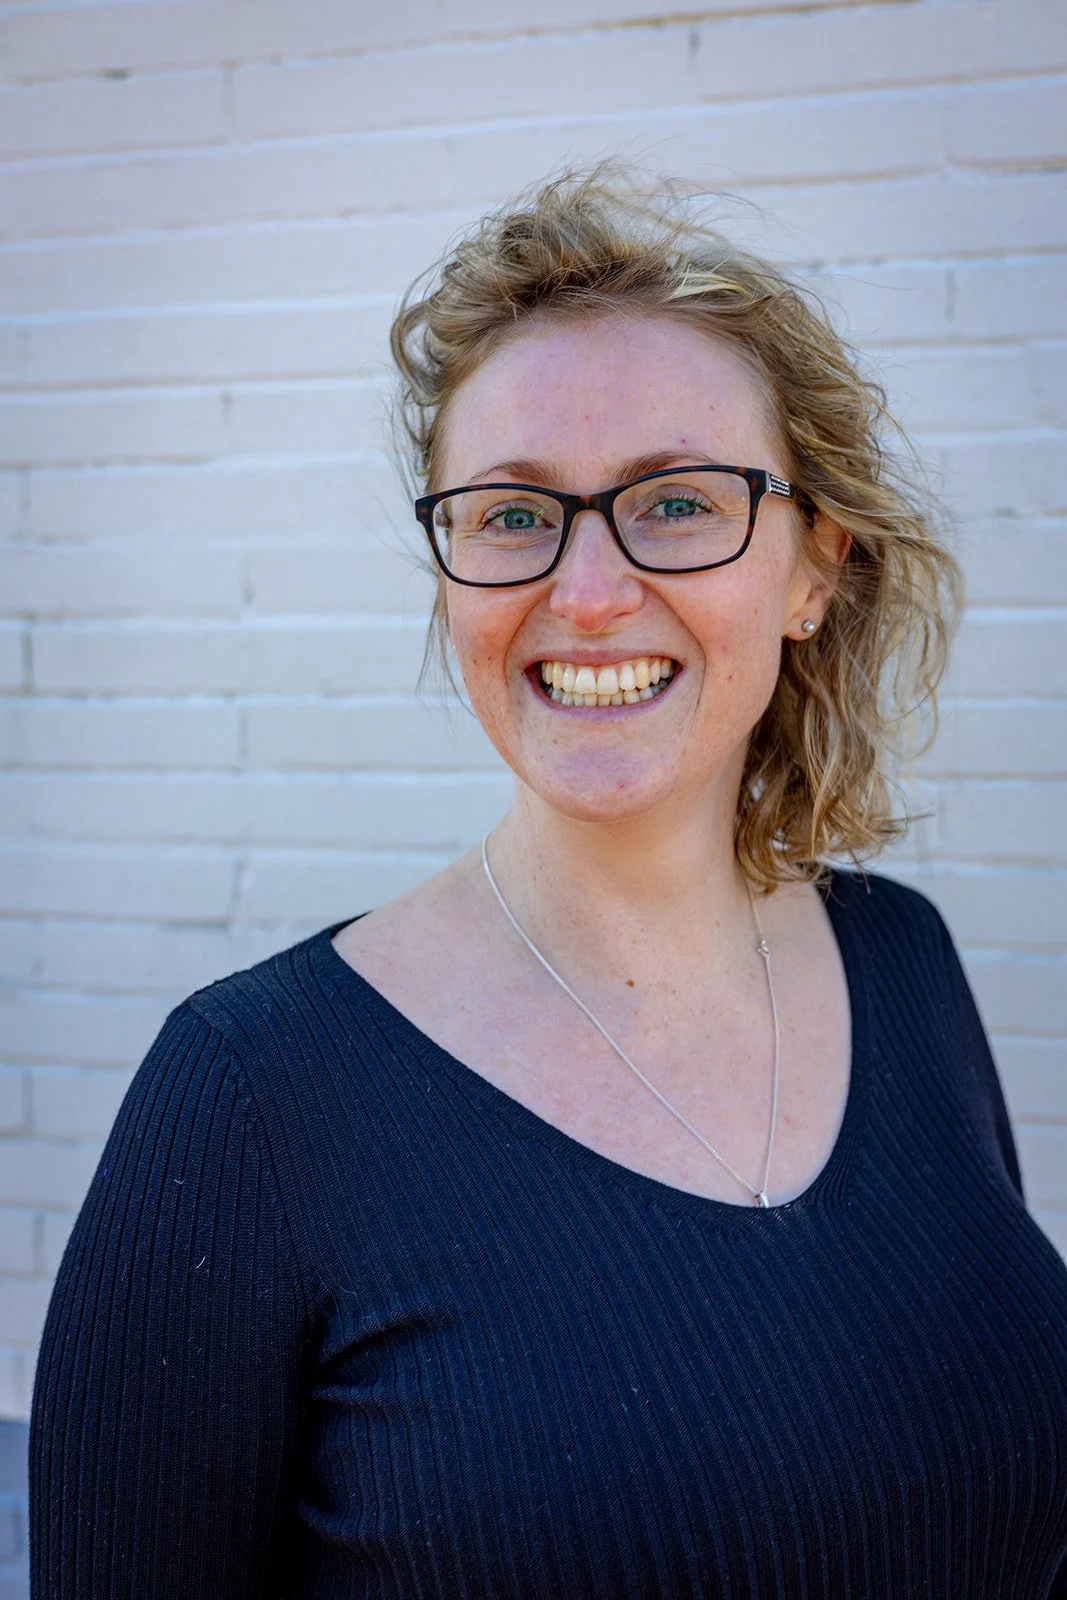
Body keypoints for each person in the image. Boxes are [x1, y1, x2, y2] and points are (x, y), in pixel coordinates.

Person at [29, 167, 1067, 1598]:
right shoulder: (253, 1097)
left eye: (679, 500)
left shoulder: (900, 956)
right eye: (514, 515)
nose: (585, 593)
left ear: (814, 570)